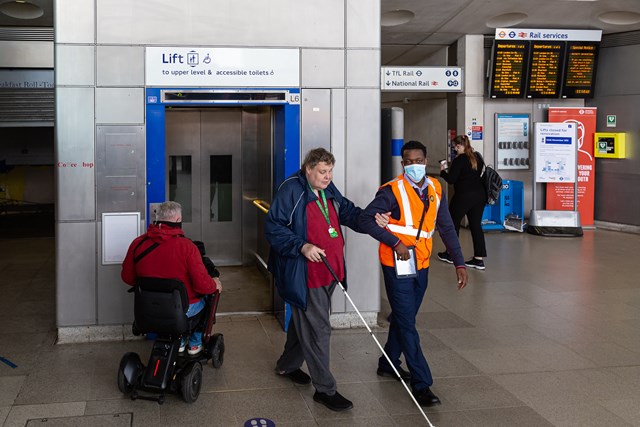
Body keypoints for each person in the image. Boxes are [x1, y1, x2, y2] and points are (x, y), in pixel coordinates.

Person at [265, 147, 388, 412]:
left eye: (330, 171)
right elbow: (273, 228)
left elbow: (349, 214)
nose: (327, 176)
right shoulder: (291, 190)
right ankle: (325, 389)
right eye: (322, 171)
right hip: (306, 274)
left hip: (331, 271)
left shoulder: (328, 190)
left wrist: (373, 220)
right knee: (319, 329)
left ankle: (287, 365)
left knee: (305, 322)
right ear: (307, 168)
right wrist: (302, 246)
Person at [359, 140, 468, 407]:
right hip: (396, 264)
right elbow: (364, 219)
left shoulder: (436, 187)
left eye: (419, 161)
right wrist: (395, 242)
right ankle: (422, 383)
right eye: (408, 162)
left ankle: (387, 363)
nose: (414, 166)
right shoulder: (391, 192)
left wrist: (460, 262)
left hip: (422, 264)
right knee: (407, 322)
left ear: (426, 160)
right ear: (403, 164)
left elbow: (446, 227)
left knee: (404, 316)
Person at [121, 201, 222, 355]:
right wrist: (214, 284)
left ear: (158, 218)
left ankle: (179, 341)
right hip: (182, 310)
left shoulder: (138, 243)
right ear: (177, 220)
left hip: (146, 309)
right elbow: (202, 285)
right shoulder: (187, 247)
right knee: (210, 297)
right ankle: (194, 343)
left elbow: (127, 278)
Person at [438, 134, 487, 270]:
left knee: (453, 224)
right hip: (479, 196)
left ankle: (450, 254)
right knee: (476, 226)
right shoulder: (477, 157)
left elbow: (452, 179)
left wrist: (443, 172)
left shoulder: (460, 160)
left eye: (455, 147)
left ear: (459, 146)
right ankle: (479, 260)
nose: (454, 149)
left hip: (463, 196)